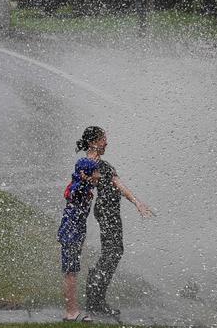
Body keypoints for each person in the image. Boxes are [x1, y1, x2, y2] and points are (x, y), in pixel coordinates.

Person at [80, 126, 153, 316]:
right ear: (93, 142)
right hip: (106, 211)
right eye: (103, 139)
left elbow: (119, 185)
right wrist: (91, 175)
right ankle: (95, 296)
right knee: (113, 252)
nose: (106, 142)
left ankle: (95, 291)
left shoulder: (102, 164)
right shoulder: (88, 163)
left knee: (113, 252)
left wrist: (137, 202)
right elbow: (86, 178)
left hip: (110, 211)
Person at [58, 157, 100, 322]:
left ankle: (73, 310)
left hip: (74, 233)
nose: (99, 175)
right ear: (85, 174)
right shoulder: (80, 187)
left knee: (72, 271)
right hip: (71, 234)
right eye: (96, 172)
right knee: (70, 272)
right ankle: (71, 312)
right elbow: (80, 186)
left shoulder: (83, 185)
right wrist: (84, 178)